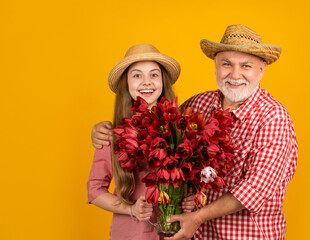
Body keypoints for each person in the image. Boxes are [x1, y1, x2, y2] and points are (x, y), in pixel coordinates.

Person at [91, 25, 298, 240]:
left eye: (246, 66)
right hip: (196, 236)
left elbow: (254, 190)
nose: (235, 74)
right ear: (216, 65)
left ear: (262, 69)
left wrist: (197, 216)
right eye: (226, 64)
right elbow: (157, 123)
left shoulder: (273, 117)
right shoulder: (199, 104)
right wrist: (104, 130)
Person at [87, 44, 195, 240]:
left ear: (163, 81)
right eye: (137, 75)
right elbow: (95, 190)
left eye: (154, 75)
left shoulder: (181, 129)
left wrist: (190, 199)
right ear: (126, 84)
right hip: (131, 234)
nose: (147, 82)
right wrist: (131, 209)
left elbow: (189, 182)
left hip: (176, 234)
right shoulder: (112, 134)